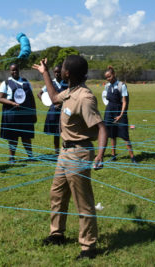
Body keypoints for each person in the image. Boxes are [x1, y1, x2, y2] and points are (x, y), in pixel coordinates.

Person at [33, 56, 107, 260]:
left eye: (62, 68)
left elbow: (101, 128)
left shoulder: (84, 97)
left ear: (68, 73)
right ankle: (56, 234)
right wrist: (44, 73)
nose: (61, 69)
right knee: (57, 194)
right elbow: (55, 97)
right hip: (65, 152)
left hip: (79, 153)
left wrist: (100, 155)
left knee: (83, 202)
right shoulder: (70, 91)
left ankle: (88, 247)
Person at [0, 63, 37, 164]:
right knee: (13, 136)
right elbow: (0, 98)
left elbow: (32, 99)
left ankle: (30, 156)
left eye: (16, 70)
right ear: (10, 71)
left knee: (26, 136)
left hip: (25, 114)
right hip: (12, 114)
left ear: (19, 70)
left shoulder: (26, 82)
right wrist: (12, 103)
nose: (14, 72)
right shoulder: (6, 83)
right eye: (12, 70)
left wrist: (34, 113)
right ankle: (11, 158)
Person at [103, 66, 136, 163]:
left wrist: (121, 115)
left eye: (109, 77)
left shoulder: (122, 85)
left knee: (125, 135)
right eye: (106, 77)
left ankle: (132, 157)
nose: (108, 79)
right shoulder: (107, 86)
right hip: (109, 111)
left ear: (113, 75)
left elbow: (124, 102)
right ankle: (113, 155)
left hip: (119, 111)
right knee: (111, 134)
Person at [37, 65, 68, 155]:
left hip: (65, 111)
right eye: (55, 72)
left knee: (65, 132)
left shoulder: (66, 82)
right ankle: (57, 152)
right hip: (54, 112)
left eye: (59, 72)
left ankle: (65, 151)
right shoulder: (50, 83)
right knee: (56, 133)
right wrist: (47, 102)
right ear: (53, 73)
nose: (57, 74)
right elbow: (39, 94)